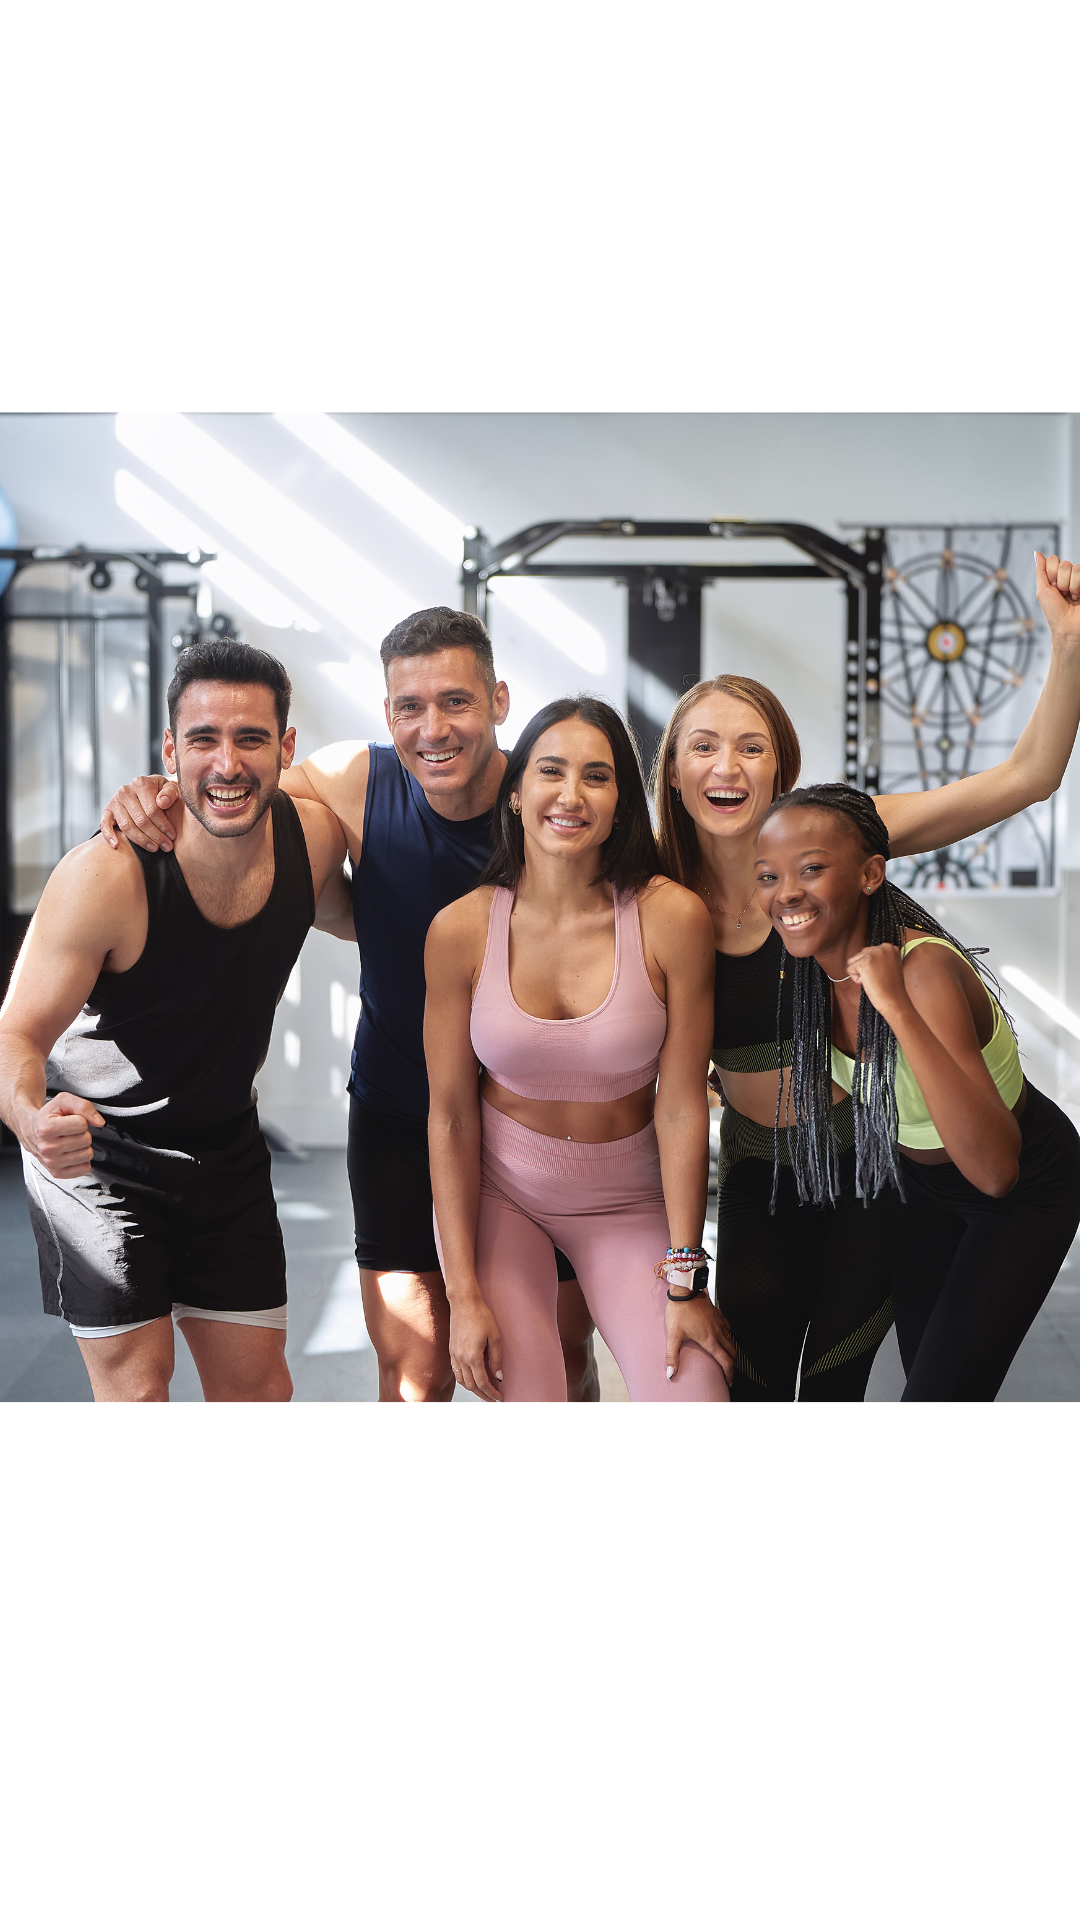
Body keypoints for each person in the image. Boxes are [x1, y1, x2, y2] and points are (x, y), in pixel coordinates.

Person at [99, 608, 600, 1418]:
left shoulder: (554, 797)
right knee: (415, 1370)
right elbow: (229, 795)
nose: (432, 728)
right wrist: (148, 793)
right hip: (401, 1114)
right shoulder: (355, 781)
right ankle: (410, 1547)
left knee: (561, 1353)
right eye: (409, 706)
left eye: (456, 702)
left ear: (500, 699)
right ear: (387, 713)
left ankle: (575, 1537)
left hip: (538, 1121)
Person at [654, 549, 1080, 1399]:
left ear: (781, 767)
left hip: (868, 1157)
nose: (726, 767)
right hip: (754, 1162)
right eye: (703, 747)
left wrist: (1068, 646)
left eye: (751, 748)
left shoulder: (839, 837)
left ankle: (844, 1535)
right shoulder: (657, 890)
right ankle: (761, 1537)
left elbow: (1028, 777)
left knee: (842, 1380)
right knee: (754, 1380)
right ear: (673, 767)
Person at [0, 639, 351, 1404]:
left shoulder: (312, 840)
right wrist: (31, 1120)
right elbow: (16, 1031)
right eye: (203, 739)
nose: (227, 764)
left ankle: (243, 1533)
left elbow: (378, 922)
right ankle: (143, 1532)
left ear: (286, 748)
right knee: (138, 1394)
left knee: (258, 1395)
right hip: (102, 1158)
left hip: (225, 1150)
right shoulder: (107, 874)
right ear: (170, 750)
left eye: (251, 738)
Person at [424, 696, 734, 1408]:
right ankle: (563, 1524)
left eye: (596, 777)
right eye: (551, 772)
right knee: (534, 1416)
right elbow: (448, 1117)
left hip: (629, 1196)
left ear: (623, 801)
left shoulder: (669, 916)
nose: (570, 796)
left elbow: (684, 1103)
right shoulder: (460, 930)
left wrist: (687, 1280)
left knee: (695, 1402)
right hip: (507, 1194)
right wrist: (463, 1295)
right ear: (515, 792)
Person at [754, 782, 1080, 1401]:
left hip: (1023, 1184)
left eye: (812, 869)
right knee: (940, 1402)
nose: (786, 892)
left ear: (871, 874)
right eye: (767, 875)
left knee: (937, 1404)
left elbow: (993, 1172)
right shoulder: (806, 979)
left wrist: (895, 1007)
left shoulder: (921, 971)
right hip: (923, 1189)